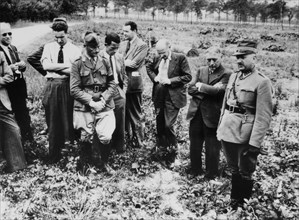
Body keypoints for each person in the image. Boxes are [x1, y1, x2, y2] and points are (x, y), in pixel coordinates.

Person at [217, 40, 273, 210]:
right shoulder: (234, 76)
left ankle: (244, 206)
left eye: (243, 57)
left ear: (254, 57)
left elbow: (263, 116)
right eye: (237, 57)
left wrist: (255, 144)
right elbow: (225, 105)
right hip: (228, 130)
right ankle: (234, 203)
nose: (239, 60)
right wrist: (221, 125)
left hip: (245, 134)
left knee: (245, 171)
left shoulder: (262, 82)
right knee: (233, 169)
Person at [70, 32, 116, 173]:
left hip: (104, 104)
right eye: (92, 48)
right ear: (85, 46)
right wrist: (91, 102)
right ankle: (84, 165)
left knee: (106, 136)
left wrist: (103, 99)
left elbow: (112, 83)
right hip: (84, 106)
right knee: (85, 137)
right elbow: (74, 89)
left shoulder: (105, 61)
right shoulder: (77, 63)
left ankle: (104, 163)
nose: (96, 50)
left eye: (98, 47)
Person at [186, 48, 232, 179]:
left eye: (214, 60)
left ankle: (211, 173)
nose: (211, 63)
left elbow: (220, 92)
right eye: (209, 60)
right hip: (196, 113)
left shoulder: (227, 73)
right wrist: (209, 89)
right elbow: (190, 89)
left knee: (212, 147)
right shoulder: (201, 70)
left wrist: (201, 86)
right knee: (195, 143)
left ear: (221, 57)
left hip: (212, 115)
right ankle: (195, 169)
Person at [41, 17, 81, 163]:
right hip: (51, 85)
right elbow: (46, 66)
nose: (59, 40)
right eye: (56, 37)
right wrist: (65, 67)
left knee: (68, 119)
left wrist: (56, 67)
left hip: (67, 85)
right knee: (52, 120)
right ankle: (53, 154)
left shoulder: (75, 50)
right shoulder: (48, 47)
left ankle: (70, 154)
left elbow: (75, 71)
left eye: (62, 37)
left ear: (67, 33)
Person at [146, 39, 192, 165]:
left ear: (169, 47)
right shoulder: (157, 57)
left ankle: (173, 152)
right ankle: (161, 150)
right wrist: (154, 78)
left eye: (163, 53)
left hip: (173, 97)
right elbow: (148, 67)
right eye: (159, 53)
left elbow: (188, 76)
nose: (161, 56)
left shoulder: (180, 58)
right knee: (160, 124)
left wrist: (170, 81)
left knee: (168, 125)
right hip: (159, 95)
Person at [0, 22, 33, 142]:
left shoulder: (13, 48)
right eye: (4, 34)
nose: (8, 36)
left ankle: (28, 140)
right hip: (7, 89)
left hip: (18, 87)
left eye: (10, 33)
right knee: (10, 117)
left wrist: (22, 65)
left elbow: (20, 66)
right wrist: (10, 68)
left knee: (23, 114)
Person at [119, 21, 148, 148]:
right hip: (122, 84)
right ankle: (127, 139)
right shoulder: (123, 44)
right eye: (123, 31)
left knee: (136, 113)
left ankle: (139, 142)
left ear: (134, 31)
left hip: (134, 84)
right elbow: (125, 61)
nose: (124, 33)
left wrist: (119, 62)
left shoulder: (142, 45)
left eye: (126, 31)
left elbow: (134, 64)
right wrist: (124, 61)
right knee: (123, 113)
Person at [99, 32, 127, 153]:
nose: (115, 50)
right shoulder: (98, 56)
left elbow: (124, 76)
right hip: (105, 92)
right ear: (105, 45)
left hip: (118, 91)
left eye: (117, 47)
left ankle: (119, 146)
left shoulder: (119, 57)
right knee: (107, 120)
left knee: (120, 120)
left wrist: (123, 92)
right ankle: (106, 147)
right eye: (112, 47)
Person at [0, 51, 27, 172]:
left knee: (13, 129)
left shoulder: (0, 55)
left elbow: (9, 76)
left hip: (2, 100)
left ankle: (17, 165)